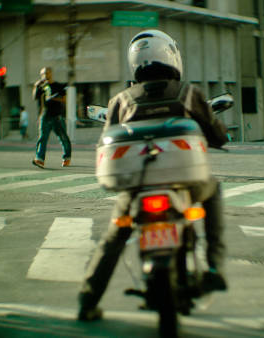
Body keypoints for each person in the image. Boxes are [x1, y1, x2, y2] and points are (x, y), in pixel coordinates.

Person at [77, 29, 229, 321]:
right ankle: (214, 268)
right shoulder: (189, 93)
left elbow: (103, 143)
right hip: (185, 185)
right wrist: (217, 137)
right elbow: (216, 134)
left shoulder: (121, 100)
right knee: (214, 192)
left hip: (136, 190)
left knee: (115, 236)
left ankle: (87, 299)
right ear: (171, 56)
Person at [32, 67, 71, 168]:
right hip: (45, 115)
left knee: (63, 137)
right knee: (42, 138)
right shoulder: (42, 87)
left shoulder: (58, 86)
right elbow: (35, 98)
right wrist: (36, 86)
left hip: (57, 116)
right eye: (43, 74)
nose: (45, 76)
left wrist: (53, 98)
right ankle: (39, 159)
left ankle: (67, 157)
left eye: (47, 73)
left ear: (51, 73)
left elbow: (64, 100)